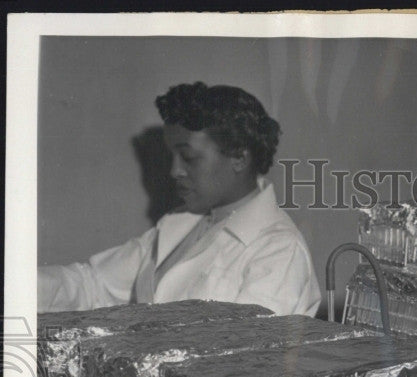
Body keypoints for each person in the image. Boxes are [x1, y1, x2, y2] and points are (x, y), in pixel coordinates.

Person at [38, 82, 321, 316]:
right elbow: (93, 285)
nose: (175, 171)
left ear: (239, 156)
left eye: (188, 157)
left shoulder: (279, 249)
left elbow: (247, 364)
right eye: (171, 156)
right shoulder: (180, 224)